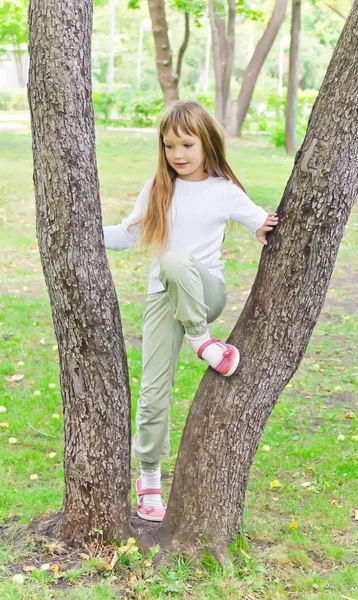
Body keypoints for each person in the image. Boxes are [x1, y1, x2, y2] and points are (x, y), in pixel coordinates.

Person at [103, 100, 279, 522]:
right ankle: (148, 480)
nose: (177, 154)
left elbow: (259, 222)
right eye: (169, 146)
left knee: (176, 259)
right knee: (153, 390)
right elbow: (128, 236)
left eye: (186, 144)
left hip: (206, 294)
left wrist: (262, 226)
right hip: (165, 300)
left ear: (206, 143)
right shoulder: (158, 188)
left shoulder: (223, 191)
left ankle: (201, 340)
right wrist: (79, 224)